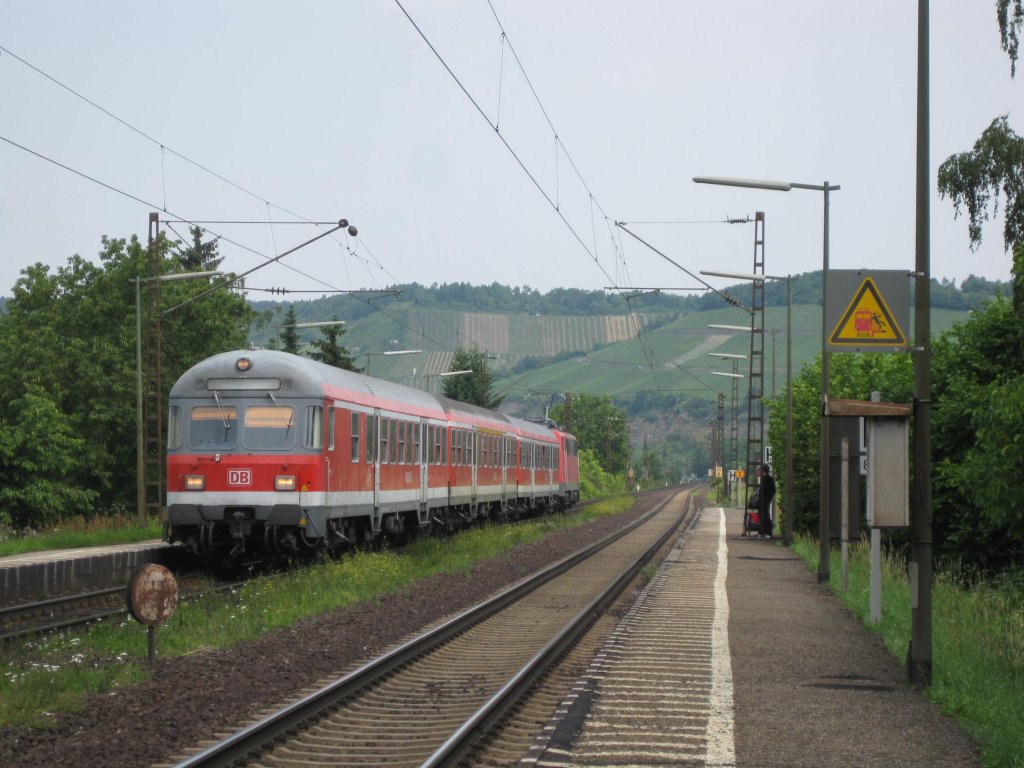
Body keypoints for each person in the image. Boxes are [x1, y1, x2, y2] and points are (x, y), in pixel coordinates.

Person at [755, 463, 776, 539]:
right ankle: (763, 531)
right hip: (764, 500)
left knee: (765, 516)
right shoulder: (766, 478)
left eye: (759, 471)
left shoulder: (767, 479)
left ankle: (767, 532)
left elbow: (772, 490)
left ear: (762, 471)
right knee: (763, 515)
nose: (757, 472)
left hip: (765, 500)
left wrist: (766, 498)